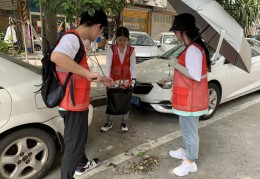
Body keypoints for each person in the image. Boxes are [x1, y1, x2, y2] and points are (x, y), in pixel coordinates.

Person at [51, 9, 112, 179]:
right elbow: (57, 57)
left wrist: (100, 79)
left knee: (77, 141)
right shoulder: (72, 39)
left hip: (71, 101)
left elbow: (72, 74)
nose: (100, 35)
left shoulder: (75, 39)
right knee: (74, 147)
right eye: (101, 31)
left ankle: (82, 163)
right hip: (73, 105)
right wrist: (86, 74)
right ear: (98, 26)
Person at [163, 13, 211, 177]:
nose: (175, 34)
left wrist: (175, 63)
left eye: (176, 31)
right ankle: (184, 151)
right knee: (186, 129)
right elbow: (186, 72)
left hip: (191, 100)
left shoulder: (193, 50)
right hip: (187, 98)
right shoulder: (191, 48)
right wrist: (170, 76)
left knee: (190, 133)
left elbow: (195, 75)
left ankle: (190, 162)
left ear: (183, 31)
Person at [100, 27, 136, 132]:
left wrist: (133, 80)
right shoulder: (111, 49)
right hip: (113, 80)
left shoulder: (131, 50)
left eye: (125, 40)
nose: (122, 42)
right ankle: (109, 123)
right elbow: (108, 65)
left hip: (126, 80)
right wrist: (107, 79)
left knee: (125, 102)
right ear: (116, 39)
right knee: (112, 101)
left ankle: (124, 123)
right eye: (120, 40)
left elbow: (133, 66)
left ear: (127, 39)